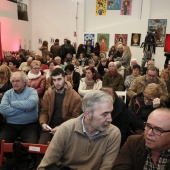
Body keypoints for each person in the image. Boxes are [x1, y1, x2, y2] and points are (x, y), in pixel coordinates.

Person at [37, 90, 121, 170]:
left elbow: (106, 168)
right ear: (88, 114)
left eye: (110, 113)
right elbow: (44, 166)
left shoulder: (113, 134)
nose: (110, 119)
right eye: (104, 114)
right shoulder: (66, 129)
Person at [38, 68, 82, 144]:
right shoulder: (48, 93)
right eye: (54, 80)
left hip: (66, 128)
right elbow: (44, 111)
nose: (56, 83)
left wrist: (61, 128)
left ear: (65, 78)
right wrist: (43, 123)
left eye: (59, 79)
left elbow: (75, 119)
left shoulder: (75, 97)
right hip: (49, 127)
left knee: (61, 149)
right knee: (41, 147)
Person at [0, 71, 39, 144]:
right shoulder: (8, 93)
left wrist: (12, 103)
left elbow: (31, 104)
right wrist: (25, 110)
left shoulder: (32, 91)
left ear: (24, 82)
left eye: (18, 81)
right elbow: (3, 110)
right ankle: (11, 155)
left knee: (32, 147)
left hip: (29, 125)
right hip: (10, 125)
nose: (15, 83)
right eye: (13, 81)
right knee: (1, 144)